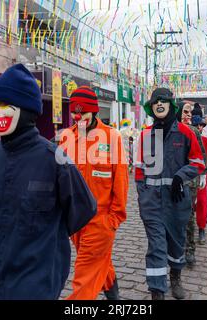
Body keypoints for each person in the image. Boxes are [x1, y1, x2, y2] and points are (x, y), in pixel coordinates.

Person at [0, 64, 97, 300]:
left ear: (26, 110)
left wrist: (48, 234)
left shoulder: (55, 158)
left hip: (38, 273)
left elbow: (84, 208)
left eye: (3, 105)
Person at [59, 86, 129, 300]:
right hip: (75, 223)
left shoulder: (111, 137)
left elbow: (121, 180)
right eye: (74, 113)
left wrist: (114, 218)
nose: (78, 117)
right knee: (97, 261)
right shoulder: (66, 137)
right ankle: (112, 293)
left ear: (94, 111)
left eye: (83, 113)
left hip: (101, 221)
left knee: (85, 275)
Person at [135, 88, 205, 300]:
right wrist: (143, 197)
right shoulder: (146, 135)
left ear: (170, 105)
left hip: (177, 201)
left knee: (176, 243)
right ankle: (157, 291)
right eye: (156, 102)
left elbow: (198, 162)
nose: (159, 105)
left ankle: (175, 276)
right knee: (156, 246)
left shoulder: (186, 133)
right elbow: (139, 170)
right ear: (152, 106)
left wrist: (180, 177)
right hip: (152, 203)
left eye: (164, 101)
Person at [176, 102, 207, 269]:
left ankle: (190, 250)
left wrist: (202, 174)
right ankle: (177, 249)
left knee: (188, 216)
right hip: (172, 181)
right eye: (185, 112)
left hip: (190, 181)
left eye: (189, 112)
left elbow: (202, 154)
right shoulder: (169, 130)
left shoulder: (194, 131)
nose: (188, 115)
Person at [191, 115, 207, 244]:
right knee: (188, 203)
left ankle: (201, 228)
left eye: (201, 125)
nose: (199, 128)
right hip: (188, 175)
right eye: (197, 125)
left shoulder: (205, 141)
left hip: (201, 174)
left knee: (202, 201)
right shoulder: (186, 139)